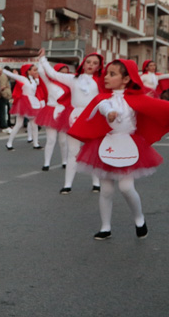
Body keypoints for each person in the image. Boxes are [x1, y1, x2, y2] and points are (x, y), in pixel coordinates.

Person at [68, 59, 169, 240]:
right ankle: (105, 227)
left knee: (126, 187)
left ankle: (139, 219)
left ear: (126, 79)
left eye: (112, 74)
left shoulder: (137, 99)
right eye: (106, 73)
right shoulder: (102, 99)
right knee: (106, 190)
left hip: (127, 145)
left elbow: (160, 108)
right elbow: (101, 107)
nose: (106, 77)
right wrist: (108, 112)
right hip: (106, 145)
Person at [39, 49, 103, 194]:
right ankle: (67, 184)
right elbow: (53, 74)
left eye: (95, 63)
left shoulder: (101, 81)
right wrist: (43, 59)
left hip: (93, 117)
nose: (91, 65)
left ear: (99, 66)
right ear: (83, 63)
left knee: (94, 151)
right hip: (74, 117)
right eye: (88, 62)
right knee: (72, 151)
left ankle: (96, 182)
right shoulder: (73, 79)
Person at [35, 58, 71, 172]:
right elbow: (41, 72)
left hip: (64, 112)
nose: (64, 75)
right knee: (51, 139)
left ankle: (64, 161)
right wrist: (42, 59)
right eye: (61, 72)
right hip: (51, 111)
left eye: (66, 73)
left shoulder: (70, 84)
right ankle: (46, 163)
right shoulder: (49, 82)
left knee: (63, 140)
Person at [3, 64, 45, 151]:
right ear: (28, 71)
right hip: (24, 102)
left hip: (32, 102)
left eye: (36, 70)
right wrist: (3, 70)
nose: (35, 71)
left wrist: (37, 76)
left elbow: (38, 84)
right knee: (19, 124)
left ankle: (36, 143)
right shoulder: (23, 79)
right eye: (34, 70)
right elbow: (12, 75)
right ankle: (9, 143)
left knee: (34, 124)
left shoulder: (33, 80)